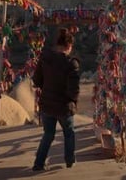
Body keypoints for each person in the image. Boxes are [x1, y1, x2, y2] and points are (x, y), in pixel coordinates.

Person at [32, 28, 80, 171]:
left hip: (47, 104)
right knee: (69, 133)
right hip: (64, 106)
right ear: (69, 46)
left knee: (48, 134)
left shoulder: (45, 57)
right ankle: (69, 160)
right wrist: (72, 101)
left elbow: (37, 80)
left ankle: (38, 164)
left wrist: (47, 88)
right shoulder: (71, 64)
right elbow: (74, 91)